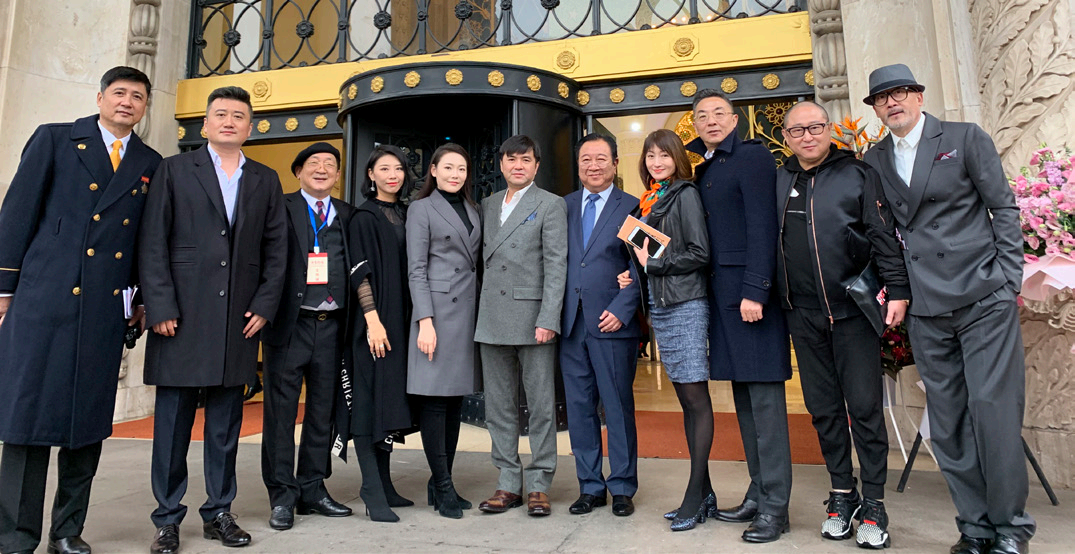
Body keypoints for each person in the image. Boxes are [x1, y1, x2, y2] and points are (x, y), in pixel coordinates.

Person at [861, 64, 1033, 554]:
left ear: (919, 96)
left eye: (901, 92)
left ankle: (1011, 528)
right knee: (949, 419)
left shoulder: (963, 138)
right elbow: (883, 234)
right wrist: (899, 292)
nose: (892, 102)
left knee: (993, 413)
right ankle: (975, 528)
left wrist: (1008, 279)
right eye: (882, 98)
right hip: (926, 307)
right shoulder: (873, 159)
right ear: (875, 109)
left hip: (983, 298)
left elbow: (1003, 208)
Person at [0, 66, 161, 554]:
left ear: (145, 107)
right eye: (119, 93)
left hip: (103, 309)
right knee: (27, 424)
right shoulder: (55, 139)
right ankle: (15, 535)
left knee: (85, 427)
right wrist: (4, 288)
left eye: (138, 96)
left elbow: (145, 240)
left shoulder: (150, 161)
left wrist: (141, 298)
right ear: (100, 97)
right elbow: (17, 213)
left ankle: (67, 532)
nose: (127, 102)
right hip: (43, 301)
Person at [140, 86, 288, 553]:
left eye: (238, 116)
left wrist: (265, 304)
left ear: (250, 127)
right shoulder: (173, 170)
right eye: (220, 114)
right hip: (181, 317)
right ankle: (167, 518)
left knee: (225, 427)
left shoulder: (264, 178)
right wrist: (160, 305)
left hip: (237, 320)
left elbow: (277, 249)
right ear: (204, 125)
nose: (229, 121)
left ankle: (219, 511)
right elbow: (153, 240)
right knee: (172, 427)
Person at [777, 101, 910, 549]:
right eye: (798, 131)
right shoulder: (780, 181)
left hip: (852, 312)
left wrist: (898, 290)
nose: (808, 136)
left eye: (815, 127)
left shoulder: (857, 173)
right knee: (823, 410)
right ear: (786, 138)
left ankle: (874, 502)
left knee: (865, 409)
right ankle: (842, 493)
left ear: (830, 129)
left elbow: (882, 234)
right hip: (803, 314)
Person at [687, 89, 793, 543]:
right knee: (746, 405)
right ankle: (758, 491)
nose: (710, 120)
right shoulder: (707, 166)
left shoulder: (752, 157)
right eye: (702, 115)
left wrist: (756, 290)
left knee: (766, 408)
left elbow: (762, 226)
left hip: (750, 300)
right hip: (723, 300)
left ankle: (775, 508)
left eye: (719, 113)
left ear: (735, 120)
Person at [618, 129, 712, 531]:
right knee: (686, 401)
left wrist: (652, 265)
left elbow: (699, 253)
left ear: (678, 158)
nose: (656, 162)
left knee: (695, 399)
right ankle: (705, 494)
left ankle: (694, 495)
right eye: (650, 155)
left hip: (686, 305)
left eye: (664, 155)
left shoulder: (685, 193)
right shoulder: (653, 198)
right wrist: (636, 275)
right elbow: (651, 256)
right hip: (663, 304)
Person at [260, 142, 354, 531]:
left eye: (330, 164)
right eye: (313, 163)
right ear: (298, 171)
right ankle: (283, 496)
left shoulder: (347, 214)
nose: (322, 169)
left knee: (322, 411)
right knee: (281, 414)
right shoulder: (279, 207)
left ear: (338, 175)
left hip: (332, 325)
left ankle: (313, 488)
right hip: (290, 324)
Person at [474, 135, 567, 517]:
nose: (518, 165)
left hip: (533, 319)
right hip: (491, 317)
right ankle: (509, 482)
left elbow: (556, 264)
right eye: (511, 159)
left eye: (525, 159)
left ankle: (540, 483)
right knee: (498, 407)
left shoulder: (550, 204)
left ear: (536, 165)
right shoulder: (488, 204)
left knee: (541, 406)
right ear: (501, 165)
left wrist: (549, 317)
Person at [561, 134, 641, 518]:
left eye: (600, 159)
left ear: (614, 164)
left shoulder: (634, 206)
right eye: (586, 159)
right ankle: (590, 486)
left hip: (612, 322)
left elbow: (643, 263)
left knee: (617, 406)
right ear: (578, 166)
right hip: (571, 323)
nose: (593, 166)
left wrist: (624, 307)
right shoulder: (563, 207)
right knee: (579, 409)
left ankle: (622, 486)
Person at [405, 143, 482, 519]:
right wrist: (425, 321)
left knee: (454, 402)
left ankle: (440, 484)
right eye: (448, 167)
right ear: (433, 170)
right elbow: (416, 268)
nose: (455, 174)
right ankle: (444, 486)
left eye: (462, 169)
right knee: (435, 402)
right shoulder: (421, 208)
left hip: (466, 312)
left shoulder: (472, 208)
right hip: (435, 315)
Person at [345, 144, 416, 523]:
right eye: (384, 169)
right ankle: (371, 489)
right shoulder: (363, 217)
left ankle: (385, 484)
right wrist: (372, 320)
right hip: (374, 324)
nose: (393, 175)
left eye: (398, 169)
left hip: (401, 320)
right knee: (368, 401)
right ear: (370, 175)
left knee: (388, 401)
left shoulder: (406, 213)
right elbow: (360, 273)